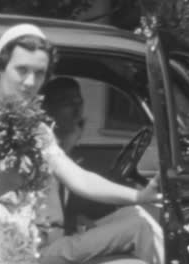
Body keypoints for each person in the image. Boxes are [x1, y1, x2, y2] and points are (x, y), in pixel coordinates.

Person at [0, 23, 161, 264]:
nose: (30, 81)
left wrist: (139, 196)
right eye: (21, 70)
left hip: (30, 255)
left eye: (39, 73)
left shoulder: (36, 127)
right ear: (0, 66)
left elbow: (78, 177)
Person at [38, 77, 164, 264]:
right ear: (48, 111)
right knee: (138, 225)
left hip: (62, 238)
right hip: (44, 251)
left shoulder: (57, 148)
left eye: (78, 101)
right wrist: (140, 195)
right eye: (66, 102)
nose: (76, 107)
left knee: (133, 213)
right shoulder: (39, 145)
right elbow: (82, 181)